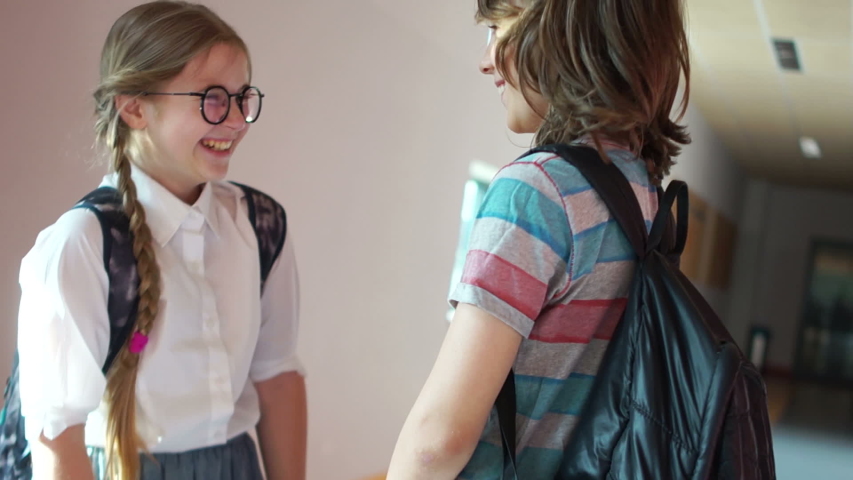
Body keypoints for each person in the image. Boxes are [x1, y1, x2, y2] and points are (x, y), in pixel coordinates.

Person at [387, 0, 691, 477]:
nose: (485, 59)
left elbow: (438, 440)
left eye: (498, 29)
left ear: (564, 26)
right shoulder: (645, 198)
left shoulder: (537, 192)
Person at [15, 2, 307, 479]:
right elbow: (55, 437)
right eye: (213, 98)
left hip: (237, 465)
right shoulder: (81, 245)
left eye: (242, 97)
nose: (235, 121)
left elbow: (277, 376)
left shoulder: (260, 225)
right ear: (134, 107)